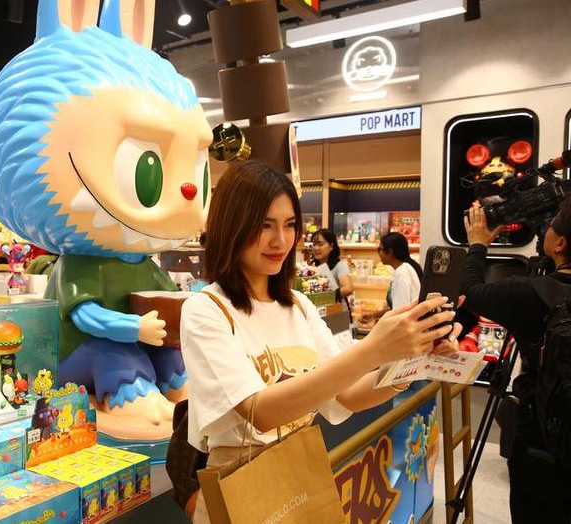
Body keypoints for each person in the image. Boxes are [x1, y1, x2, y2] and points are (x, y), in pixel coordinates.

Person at [180, 160, 460, 523]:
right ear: (231, 226)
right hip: (242, 482)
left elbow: (349, 396)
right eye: (264, 225)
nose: (280, 240)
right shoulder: (206, 309)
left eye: (289, 224)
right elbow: (260, 413)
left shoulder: (299, 305)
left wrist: (409, 361)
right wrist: (374, 348)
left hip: (299, 471)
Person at [462, 200, 571, 523]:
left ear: (560, 244)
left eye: (553, 223)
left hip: (542, 448)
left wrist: (478, 245)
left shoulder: (531, 294)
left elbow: (469, 292)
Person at [361, 232, 423, 325]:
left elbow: (399, 312)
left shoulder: (401, 273)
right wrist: (374, 315)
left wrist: (381, 325)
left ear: (390, 251)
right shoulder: (409, 267)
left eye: (379, 249)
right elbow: (397, 306)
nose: (379, 253)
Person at [310, 228, 353, 305]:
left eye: (320, 244)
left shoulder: (340, 265)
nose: (316, 248)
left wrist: (326, 296)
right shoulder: (312, 266)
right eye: (314, 244)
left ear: (331, 246)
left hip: (337, 310)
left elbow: (348, 289)